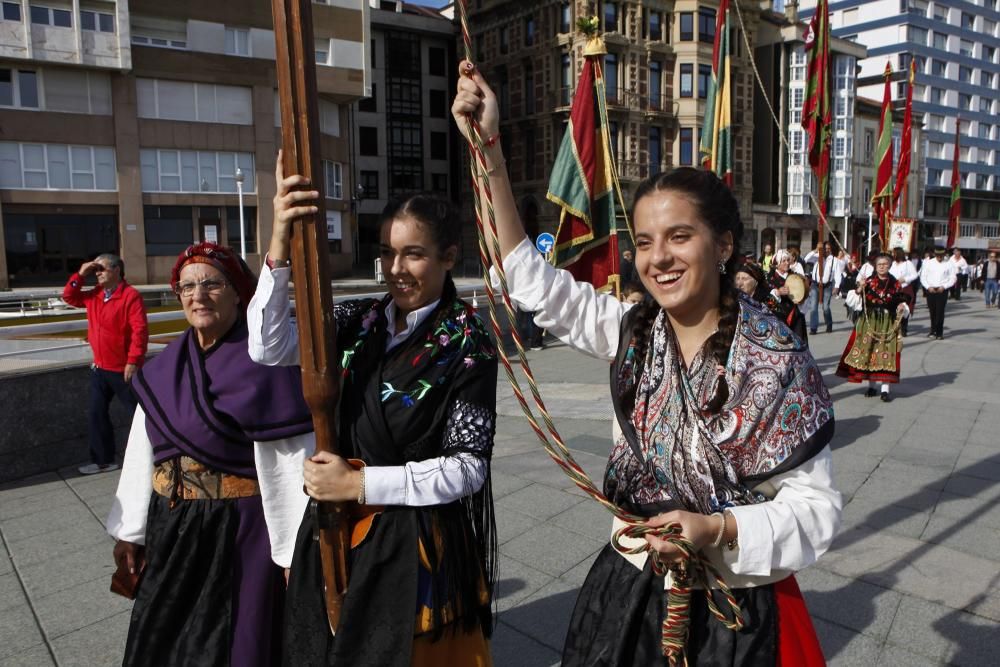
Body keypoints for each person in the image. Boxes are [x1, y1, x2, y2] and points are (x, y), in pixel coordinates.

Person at [454, 63, 840, 666]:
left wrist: (715, 530)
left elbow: (816, 512)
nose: (657, 258)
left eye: (680, 237)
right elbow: (533, 282)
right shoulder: (630, 332)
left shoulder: (776, 358)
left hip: (735, 610)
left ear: (725, 244)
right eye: (644, 242)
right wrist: (492, 156)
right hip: (631, 589)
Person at [250, 168, 499, 666]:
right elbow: (268, 345)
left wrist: (361, 486)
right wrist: (279, 234)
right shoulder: (358, 320)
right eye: (386, 252)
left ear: (449, 257)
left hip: (415, 540)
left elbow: (468, 467)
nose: (395, 268)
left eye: (414, 253)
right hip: (334, 525)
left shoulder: (470, 343)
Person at [106, 242, 315, 666]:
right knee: (165, 633)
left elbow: (290, 461)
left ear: (239, 292)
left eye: (211, 284)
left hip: (243, 530)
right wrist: (130, 529)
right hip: (176, 525)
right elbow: (141, 446)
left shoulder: (266, 367)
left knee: (238, 636)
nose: (197, 295)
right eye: (186, 286)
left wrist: (295, 551)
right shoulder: (166, 367)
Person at [62, 253, 148, 475]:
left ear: (117, 270)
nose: (98, 273)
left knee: (139, 414)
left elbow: (140, 331)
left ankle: (156, 454)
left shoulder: (131, 296)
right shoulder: (95, 295)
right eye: (95, 270)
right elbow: (69, 297)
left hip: (123, 369)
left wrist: (133, 361)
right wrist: (80, 275)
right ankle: (103, 461)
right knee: (96, 413)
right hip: (100, 369)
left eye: (102, 269)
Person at [836, 253, 909, 401]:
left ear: (889, 266)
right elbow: (854, 300)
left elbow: (901, 301)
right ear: (875, 266)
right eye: (879, 264)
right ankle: (871, 386)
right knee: (869, 352)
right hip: (869, 321)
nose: (882, 267)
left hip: (887, 322)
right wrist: (859, 289)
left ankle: (885, 389)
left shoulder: (895, 283)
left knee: (886, 353)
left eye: (885, 264)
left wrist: (901, 306)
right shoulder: (868, 282)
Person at [768, 249, 809, 344]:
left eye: (788, 260)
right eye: (784, 261)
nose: (787, 263)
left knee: (798, 343)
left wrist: (802, 298)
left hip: (795, 316)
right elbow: (767, 301)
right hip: (778, 318)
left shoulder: (795, 276)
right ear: (777, 263)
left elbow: (803, 296)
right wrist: (777, 293)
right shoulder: (770, 278)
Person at [920, 246, 957, 340]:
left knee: (940, 311)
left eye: (941, 256)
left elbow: (953, 278)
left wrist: (944, 286)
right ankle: (933, 331)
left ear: (944, 255)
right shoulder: (928, 263)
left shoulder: (949, 264)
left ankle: (939, 332)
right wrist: (928, 287)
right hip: (931, 290)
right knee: (932, 311)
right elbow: (923, 277)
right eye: (938, 256)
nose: (939, 257)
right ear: (935, 255)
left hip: (942, 290)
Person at [803, 245, 834, 335]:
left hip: (827, 286)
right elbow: (806, 259)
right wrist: (815, 250)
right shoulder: (817, 257)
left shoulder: (832, 260)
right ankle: (813, 327)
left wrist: (836, 286)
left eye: (828, 249)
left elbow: (835, 272)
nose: (826, 250)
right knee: (813, 307)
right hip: (815, 285)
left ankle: (829, 324)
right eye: (825, 249)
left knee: (825, 307)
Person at [889, 248, 918, 337]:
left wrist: (905, 279)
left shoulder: (907, 264)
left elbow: (915, 275)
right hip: (894, 288)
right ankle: (894, 328)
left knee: (904, 309)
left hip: (905, 288)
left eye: (894, 253)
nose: (892, 255)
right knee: (894, 308)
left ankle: (904, 328)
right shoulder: (893, 264)